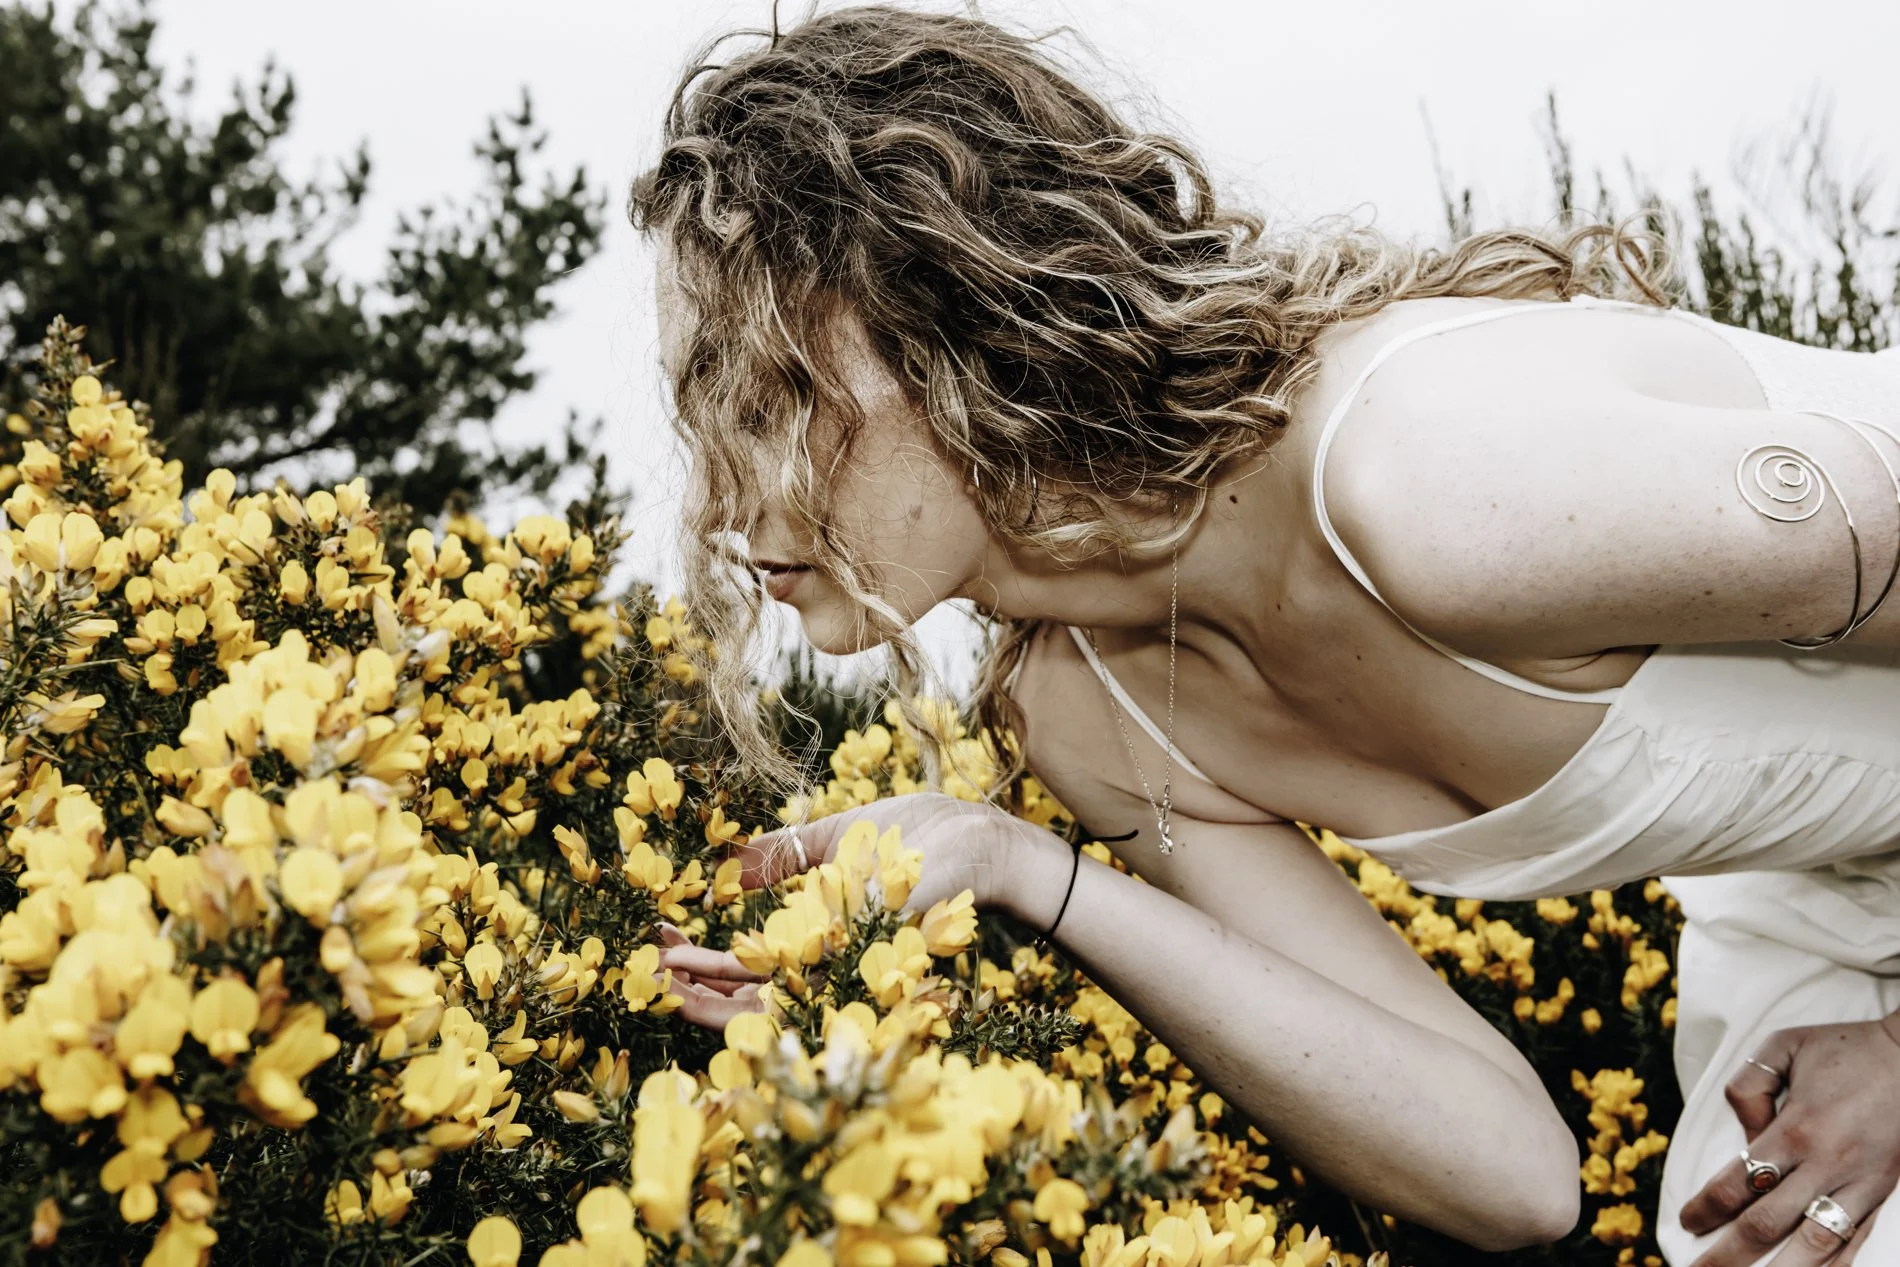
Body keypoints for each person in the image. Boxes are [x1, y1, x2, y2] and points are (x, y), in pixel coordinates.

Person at [629, 6, 1900, 1262]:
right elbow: (1512, 1171)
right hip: (1826, 919)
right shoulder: (1094, 714)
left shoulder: (1432, 485)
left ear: (963, 325)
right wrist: (1020, 866)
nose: (727, 504)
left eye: (764, 403)